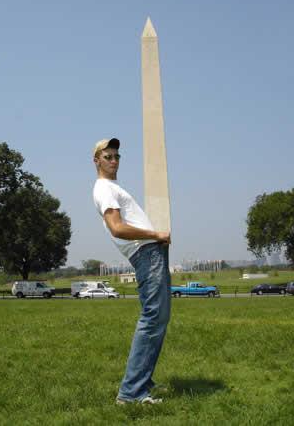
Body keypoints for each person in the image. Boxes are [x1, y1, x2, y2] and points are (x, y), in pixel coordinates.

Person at [92, 138, 171, 404]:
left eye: (117, 156)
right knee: (152, 319)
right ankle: (131, 393)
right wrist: (155, 233)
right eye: (108, 157)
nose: (114, 161)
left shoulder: (112, 187)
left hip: (151, 252)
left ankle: (142, 384)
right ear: (97, 161)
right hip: (146, 253)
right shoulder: (104, 188)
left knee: (158, 320)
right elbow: (117, 228)